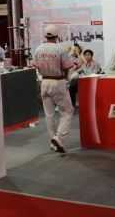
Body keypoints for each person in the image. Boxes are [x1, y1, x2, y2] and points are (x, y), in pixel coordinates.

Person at [32, 25, 74, 153]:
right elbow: (67, 67)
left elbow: (36, 66)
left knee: (49, 114)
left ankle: (53, 142)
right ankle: (59, 138)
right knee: (67, 111)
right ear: (57, 36)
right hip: (58, 81)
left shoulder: (38, 49)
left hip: (44, 82)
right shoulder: (60, 49)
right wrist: (66, 79)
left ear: (45, 35)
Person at [67, 44, 84, 108]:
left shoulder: (80, 57)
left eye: (76, 49)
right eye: (74, 49)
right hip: (68, 76)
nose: (75, 50)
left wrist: (78, 54)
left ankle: (75, 102)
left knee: (74, 84)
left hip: (77, 77)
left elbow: (83, 63)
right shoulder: (69, 57)